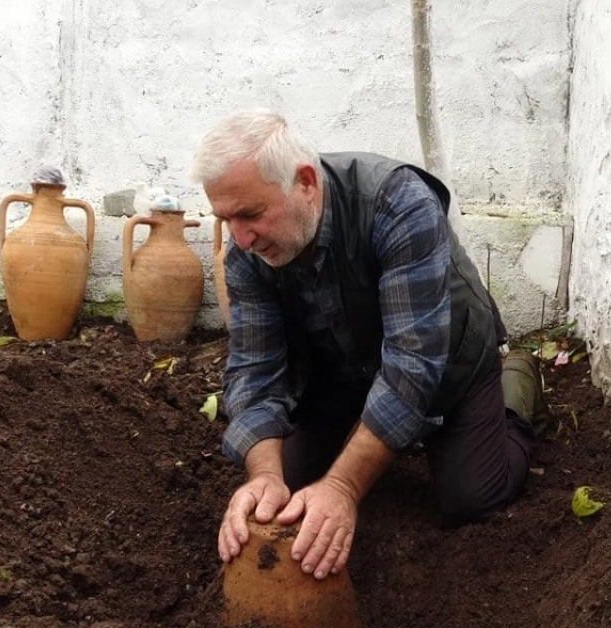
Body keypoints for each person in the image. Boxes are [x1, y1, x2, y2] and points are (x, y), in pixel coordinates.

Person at [190, 109, 547, 581]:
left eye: (251, 214)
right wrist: (264, 478)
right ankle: (367, 439)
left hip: (445, 360)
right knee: (288, 491)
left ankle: (517, 384)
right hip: (340, 369)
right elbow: (255, 371)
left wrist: (341, 486)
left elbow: (413, 364)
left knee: (471, 497)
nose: (240, 238)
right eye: (225, 218)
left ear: (306, 183)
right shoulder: (245, 253)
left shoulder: (398, 204)